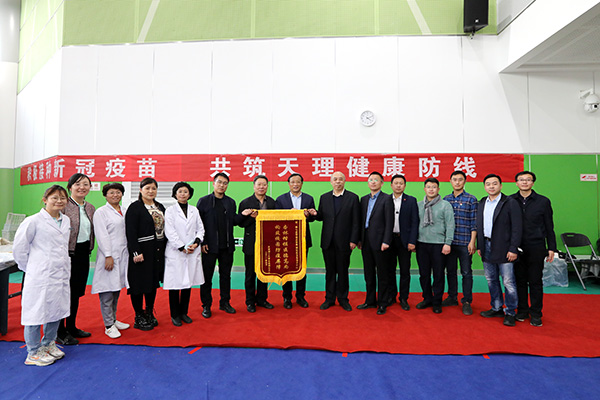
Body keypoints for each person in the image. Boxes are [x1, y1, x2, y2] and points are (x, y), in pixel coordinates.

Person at [13, 185, 70, 366]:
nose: (59, 201)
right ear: (45, 200)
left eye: (62, 198)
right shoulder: (33, 221)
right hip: (39, 274)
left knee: (56, 310)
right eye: (54, 197)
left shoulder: (66, 220)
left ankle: (48, 344)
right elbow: (19, 249)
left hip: (60, 273)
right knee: (35, 312)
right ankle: (33, 352)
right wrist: (31, 268)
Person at [308, 171, 360, 312]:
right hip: (328, 241)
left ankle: (343, 299)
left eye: (340, 179)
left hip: (345, 242)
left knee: (343, 271)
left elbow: (356, 221)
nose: (338, 181)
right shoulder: (324, 197)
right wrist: (315, 214)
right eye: (335, 179)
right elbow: (322, 216)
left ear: (344, 181)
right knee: (330, 272)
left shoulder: (353, 198)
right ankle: (329, 299)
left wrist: (354, 240)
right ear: (331, 182)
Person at [510, 171, 556, 327]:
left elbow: (549, 225)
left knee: (535, 281)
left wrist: (551, 247)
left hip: (536, 246)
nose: (524, 182)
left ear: (533, 183)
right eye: (521, 180)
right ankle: (522, 310)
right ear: (516, 183)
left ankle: (536, 313)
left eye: (528, 180)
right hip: (516, 247)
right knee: (520, 281)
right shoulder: (510, 200)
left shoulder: (543, 201)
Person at [476, 174, 522, 327]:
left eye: (494, 183)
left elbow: (517, 228)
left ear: (501, 186)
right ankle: (496, 307)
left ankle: (510, 312)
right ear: (484, 187)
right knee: (491, 279)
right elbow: (480, 225)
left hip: (505, 247)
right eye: (488, 184)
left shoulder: (510, 202)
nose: (491, 186)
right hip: (486, 245)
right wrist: (480, 246)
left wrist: (513, 248)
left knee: (508, 281)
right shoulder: (482, 202)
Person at [197, 173, 242, 318]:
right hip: (209, 247)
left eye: (225, 183)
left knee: (226, 276)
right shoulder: (204, 201)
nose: (222, 185)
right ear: (214, 183)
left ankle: (225, 303)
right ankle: (206, 305)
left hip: (227, 247)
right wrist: (203, 242)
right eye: (220, 182)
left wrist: (244, 214)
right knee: (207, 277)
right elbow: (198, 224)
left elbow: (234, 220)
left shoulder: (230, 202)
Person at [58, 173, 95, 345]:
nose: (82, 187)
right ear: (70, 187)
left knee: (76, 292)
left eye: (86, 184)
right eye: (78, 184)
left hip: (83, 253)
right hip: (66, 255)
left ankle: (71, 327)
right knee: (64, 292)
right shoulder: (63, 206)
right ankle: (59, 331)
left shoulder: (90, 207)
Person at [125, 178, 166, 331]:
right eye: (147, 188)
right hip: (142, 251)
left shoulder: (160, 207)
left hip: (157, 251)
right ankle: (139, 315)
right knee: (138, 284)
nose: (151, 191)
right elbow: (130, 232)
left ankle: (149, 312)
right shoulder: (135, 208)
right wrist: (136, 252)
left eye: (153, 188)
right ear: (141, 190)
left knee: (152, 283)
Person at [91, 183, 130, 339]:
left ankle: (113, 319)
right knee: (107, 292)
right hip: (109, 257)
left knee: (116, 289)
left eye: (118, 192)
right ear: (105, 195)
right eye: (111, 192)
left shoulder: (124, 211)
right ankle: (108, 325)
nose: (115, 195)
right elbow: (102, 235)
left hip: (122, 255)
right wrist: (108, 255)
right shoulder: (101, 212)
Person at [164, 182, 205, 326]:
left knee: (188, 283)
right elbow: (169, 231)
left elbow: (200, 229)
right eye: (180, 191)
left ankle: (184, 313)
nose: (183, 194)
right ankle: (174, 314)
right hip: (176, 252)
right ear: (175, 194)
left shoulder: (194, 210)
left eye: (185, 192)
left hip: (192, 250)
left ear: (189, 194)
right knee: (175, 284)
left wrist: (196, 242)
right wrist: (182, 247)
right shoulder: (170, 211)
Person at [275, 173, 316, 309]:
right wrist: (289, 213)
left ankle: (300, 296)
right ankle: (287, 297)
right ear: (289, 184)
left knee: (301, 269)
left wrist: (308, 215)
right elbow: (277, 218)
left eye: (298, 182)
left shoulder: (309, 198)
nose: (295, 184)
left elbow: (313, 218)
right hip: (286, 239)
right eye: (292, 182)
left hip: (303, 239)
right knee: (287, 269)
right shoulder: (280, 199)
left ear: (302, 183)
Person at [415, 178, 455, 314]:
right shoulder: (419, 205)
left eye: (434, 187)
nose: (431, 189)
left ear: (438, 189)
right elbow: (414, 224)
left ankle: (437, 301)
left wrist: (447, 243)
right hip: (422, 244)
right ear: (424, 189)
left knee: (438, 274)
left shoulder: (445, 205)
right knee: (424, 274)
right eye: (428, 187)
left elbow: (450, 225)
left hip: (439, 245)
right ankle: (427, 299)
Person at [238, 175, 276, 313]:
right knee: (250, 274)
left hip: (267, 244)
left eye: (264, 185)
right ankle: (250, 301)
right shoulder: (245, 202)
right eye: (259, 184)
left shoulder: (272, 202)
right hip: (251, 244)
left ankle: (262, 299)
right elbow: (240, 223)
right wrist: (251, 218)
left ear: (267, 186)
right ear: (254, 186)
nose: (261, 187)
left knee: (264, 273)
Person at [357, 172, 393, 315]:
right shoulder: (364, 199)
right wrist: (360, 239)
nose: (373, 182)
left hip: (380, 242)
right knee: (369, 273)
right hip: (366, 242)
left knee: (382, 274)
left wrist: (386, 241)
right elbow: (361, 221)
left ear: (382, 183)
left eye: (376, 180)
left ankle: (382, 303)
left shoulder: (387, 199)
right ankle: (370, 300)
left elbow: (390, 222)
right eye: (370, 180)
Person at [442, 171, 478, 316]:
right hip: (450, 243)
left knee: (466, 272)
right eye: (454, 179)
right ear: (450, 181)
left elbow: (474, 223)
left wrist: (472, 241)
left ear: (465, 181)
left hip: (465, 242)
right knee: (450, 271)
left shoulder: (471, 199)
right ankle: (452, 297)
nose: (457, 182)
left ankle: (467, 301)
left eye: (460, 180)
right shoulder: (446, 199)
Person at [388, 174, 419, 311]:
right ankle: (391, 296)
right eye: (396, 183)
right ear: (391, 185)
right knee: (389, 270)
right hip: (389, 240)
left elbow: (414, 222)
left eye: (401, 183)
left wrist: (412, 241)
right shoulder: (386, 200)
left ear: (405, 186)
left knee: (405, 271)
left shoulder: (411, 200)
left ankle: (404, 298)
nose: (398, 185)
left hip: (405, 241)